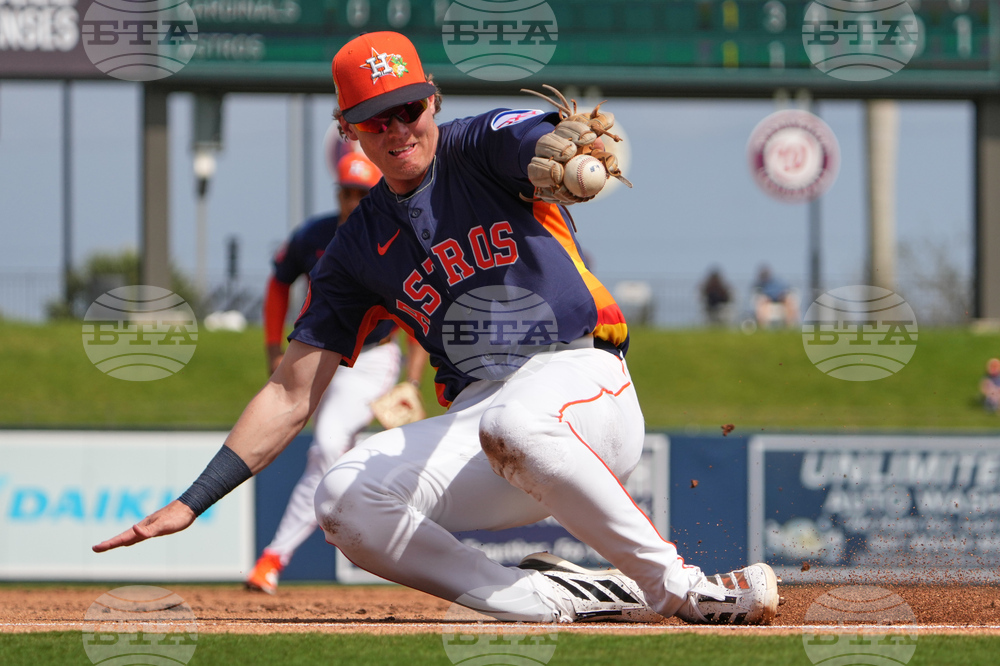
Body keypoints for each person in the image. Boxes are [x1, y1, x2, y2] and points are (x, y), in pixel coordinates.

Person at [94, 31, 779, 625]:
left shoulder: (479, 145)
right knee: (344, 498)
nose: (397, 130)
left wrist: (562, 155)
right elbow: (289, 395)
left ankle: (682, 587)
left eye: (408, 109)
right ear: (348, 129)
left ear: (434, 102)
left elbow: (534, 137)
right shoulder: (354, 250)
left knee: (512, 422)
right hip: (487, 422)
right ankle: (552, 599)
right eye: (375, 120)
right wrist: (193, 501)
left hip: (585, 380)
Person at [246, 151, 429, 594]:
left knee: (327, 445)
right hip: (319, 351)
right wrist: (273, 347)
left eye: (360, 193)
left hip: (371, 359)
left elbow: (417, 311)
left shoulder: (394, 235)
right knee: (326, 453)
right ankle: (349, 521)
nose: (352, 200)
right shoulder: (316, 234)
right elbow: (277, 283)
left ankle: (273, 558)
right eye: (346, 192)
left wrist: (413, 380)